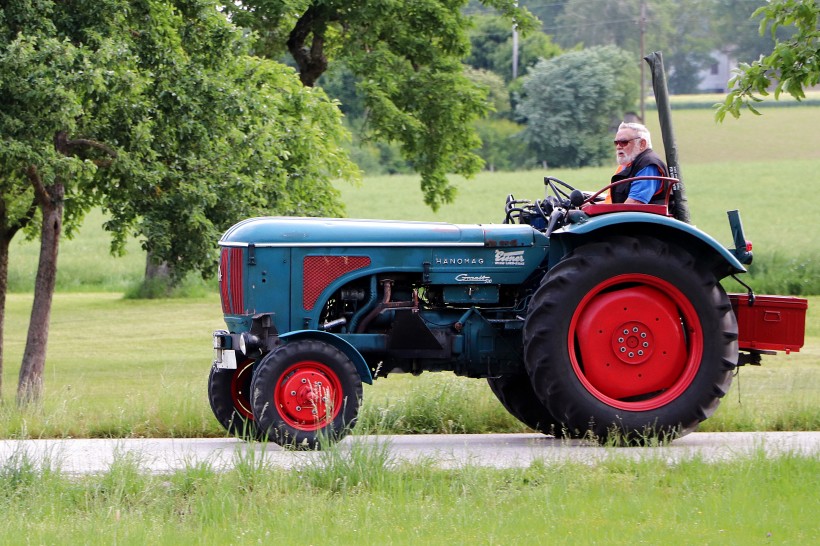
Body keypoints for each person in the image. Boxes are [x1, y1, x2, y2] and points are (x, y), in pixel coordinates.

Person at [610, 122, 668, 204]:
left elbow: (634, 204)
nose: (618, 147)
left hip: (645, 216)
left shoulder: (648, 165)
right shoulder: (628, 165)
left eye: (624, 142)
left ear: (642, 144)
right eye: (616, 143)